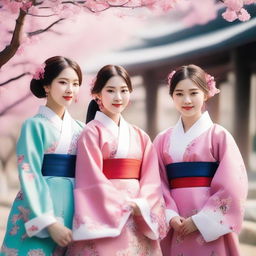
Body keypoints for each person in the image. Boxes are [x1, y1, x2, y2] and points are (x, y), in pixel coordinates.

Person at [66, 65, 167, 255]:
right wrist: (122, 204)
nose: (118, 97)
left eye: (123, 90)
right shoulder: (91, 132)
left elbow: (151, 180)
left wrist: (143, 205)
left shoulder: (140, 135)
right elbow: (90, 177)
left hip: (138, 213)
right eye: (110, 91)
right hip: (106, 213)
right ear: (97, 94)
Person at [153, 64, 248, 256]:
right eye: (179, 94)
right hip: (175, 220)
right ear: (172, 97)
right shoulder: (162, 139)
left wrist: (201, 220)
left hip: (209, 223)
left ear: (206, 94)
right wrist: (170, 215)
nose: (186, 100)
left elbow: (233, 185)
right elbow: (156, 182)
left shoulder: (219, 135)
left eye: (193, 93)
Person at [0, 56, 84, 255]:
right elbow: (29, 172)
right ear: (46, 86)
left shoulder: (81, 129)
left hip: (73, 207)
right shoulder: (34, 125)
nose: (70, 89)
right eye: (63, 82)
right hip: (37, 210)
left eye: (75, 83)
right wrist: (49, 221)